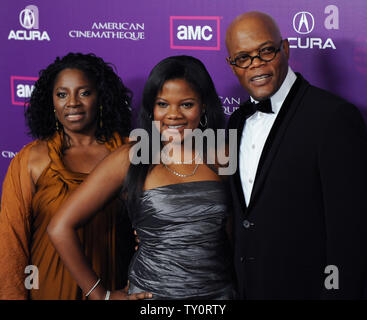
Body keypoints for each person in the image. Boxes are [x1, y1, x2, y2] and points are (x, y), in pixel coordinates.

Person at [47, 55, 234, 300]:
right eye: (163, 104)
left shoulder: (223, 154)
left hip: (219, 296)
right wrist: (100, 295)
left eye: (186, 104)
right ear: (151, 108)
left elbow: (238, 230)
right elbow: (59, 228)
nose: (173, 115)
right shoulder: (132, 157)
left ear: (204, 106)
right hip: (152, 296)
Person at [225, 11, 367, 299]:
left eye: (265, 51)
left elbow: (350, 233)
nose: (256, 65)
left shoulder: (333, 117)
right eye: (243, 58)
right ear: (233, 65)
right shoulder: (237, 121)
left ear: (285, 49)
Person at [0, 52, 135, 300]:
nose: (72, 102)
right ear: (51, 102)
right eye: (62, 94)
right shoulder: (31, 159)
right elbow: (11, 244)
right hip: (49, 291)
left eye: (84, 92)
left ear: (101, 98)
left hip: (112, 292)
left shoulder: (128, 153)